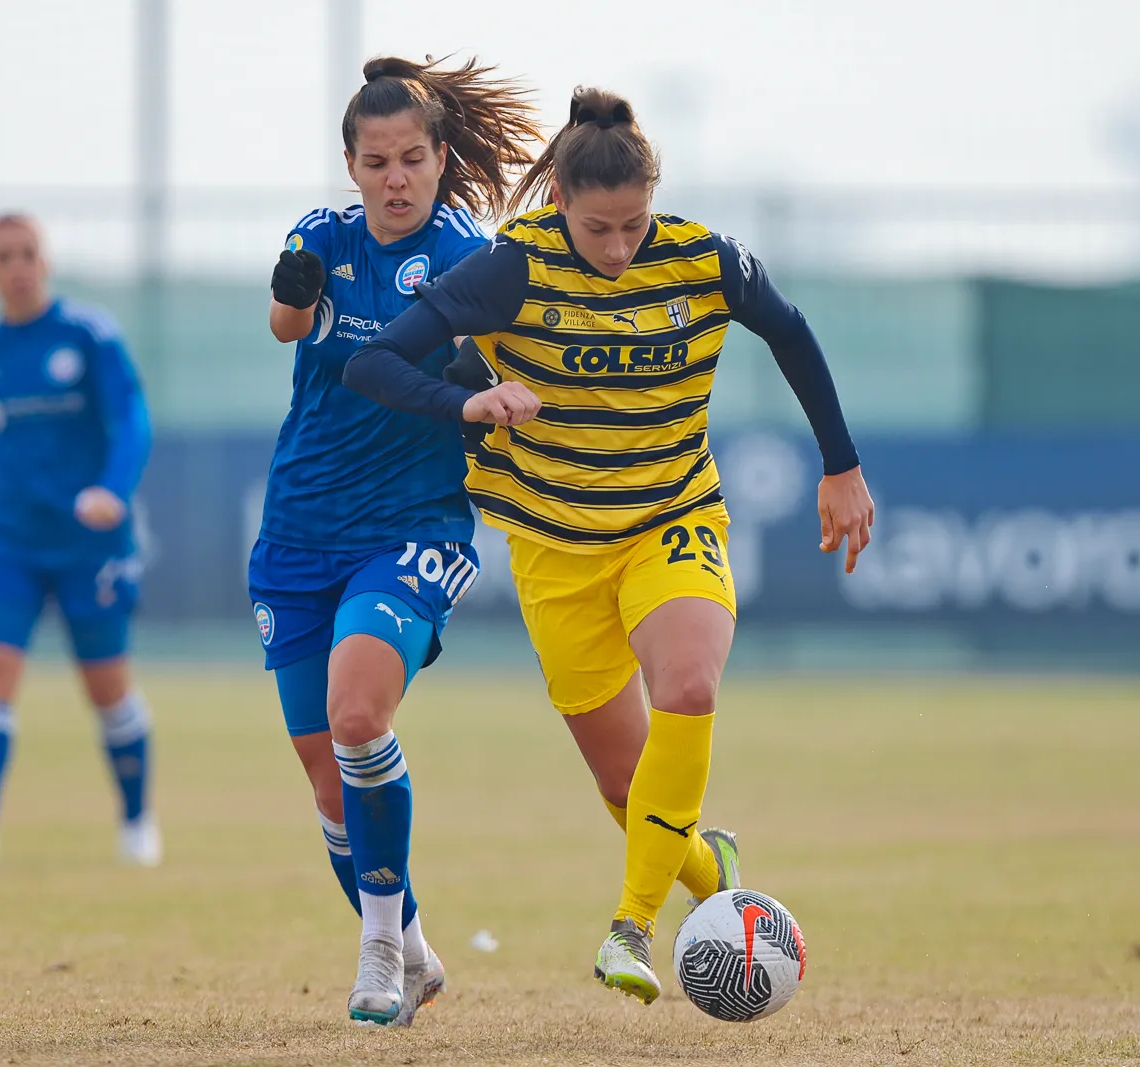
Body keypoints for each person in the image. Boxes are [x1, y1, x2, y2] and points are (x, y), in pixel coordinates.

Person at [343, 87, 875, 1005]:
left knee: (690, 686)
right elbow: (371, 361)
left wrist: (842, 465)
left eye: (635, 224)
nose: (621, 247)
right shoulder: (513, 268)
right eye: (599, 229)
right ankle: (709, 870)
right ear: (560, 203)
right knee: (629, 785)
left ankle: (630, 925)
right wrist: (468, 401)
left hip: (672, 520)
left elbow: (791, 331)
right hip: (555, 553)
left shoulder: (705, 259)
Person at [250, 56, 541, 1026]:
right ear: (351, 165)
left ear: (439, 157)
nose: (395, 179)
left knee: (357, 714)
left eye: (412, 159)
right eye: (375, 163)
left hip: (412, 526)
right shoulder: (321, 235)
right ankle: (412, 948)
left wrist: (476, 393)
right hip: (298, 526)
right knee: (329, 781)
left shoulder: (467, 254)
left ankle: (376, 948)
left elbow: (489, 368)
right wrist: (292, 292)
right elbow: (288, 326)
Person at [0, 213, 158, 867]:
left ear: (45, 262)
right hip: (7, 541)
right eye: (4, 256)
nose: (18, 267)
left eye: (27, 253)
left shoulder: (89, 336)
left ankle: (137, 822)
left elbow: (132, 419)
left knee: (107, 690)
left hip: (88, 545)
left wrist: (113, 489)